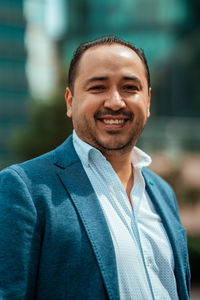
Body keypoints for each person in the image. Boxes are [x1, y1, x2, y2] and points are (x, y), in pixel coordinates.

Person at [0, 35, 190, 300]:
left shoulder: (163, 193)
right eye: (98, 87)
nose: (115, 102)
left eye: (129, 87)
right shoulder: (25, 189)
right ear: (70, 101)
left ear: (147, 101)